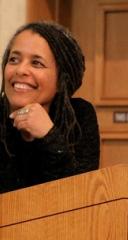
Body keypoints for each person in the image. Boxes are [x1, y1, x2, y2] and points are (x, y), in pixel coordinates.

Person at [0, 22, 100, 193]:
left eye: (37, 63)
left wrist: (49, 135)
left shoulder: (79, 116)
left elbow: (81, 194)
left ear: (62, 80)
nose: (21, 70)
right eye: (14, 59)